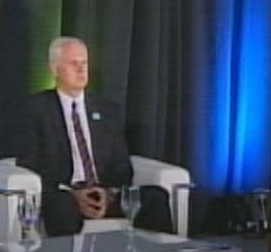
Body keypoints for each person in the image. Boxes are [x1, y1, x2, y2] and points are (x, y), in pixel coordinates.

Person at [16, 36, 173, 236]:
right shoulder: (36, 109)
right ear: (54, 69)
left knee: (155, 197)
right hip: (65, 194)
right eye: (74, 63)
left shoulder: (107, 110)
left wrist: (108, 193)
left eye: (84, 63)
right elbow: (30, 164)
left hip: (104, 193)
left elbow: (121, 165)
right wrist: (74, 194)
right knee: (63, 205)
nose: (81, 70)